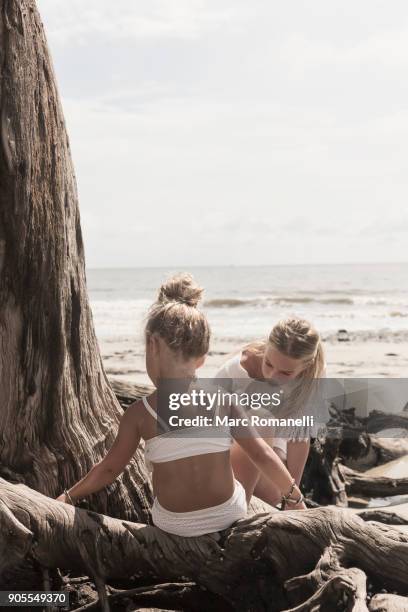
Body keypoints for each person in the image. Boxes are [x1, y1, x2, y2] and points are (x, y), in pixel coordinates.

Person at [56, 274, 306, 538]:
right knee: (254, 435)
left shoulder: (139, 413)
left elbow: (108, 469)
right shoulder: (223, 399)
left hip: (174, 526)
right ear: (202, 358)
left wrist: (68, 496)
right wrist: (297, 501)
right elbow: (263, 456)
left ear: (152, 344)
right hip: (227, 516)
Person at [215, 317, 326, 506]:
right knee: (260, 419)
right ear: (266, 348)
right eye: (268, 364)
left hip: (270, 462)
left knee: (277, 476)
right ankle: (237, 513)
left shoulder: (311, 377)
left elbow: (299, 437)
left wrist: (292, 496)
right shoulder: (237, 370)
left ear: (305, 366)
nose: (273, 376)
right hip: (225, 457)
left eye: (285, 373)